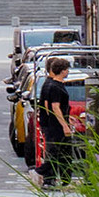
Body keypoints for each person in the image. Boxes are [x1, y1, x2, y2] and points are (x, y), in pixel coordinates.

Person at [37, 56, 77, 189]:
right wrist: (64, 124)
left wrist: (67, 118)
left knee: (60, 150)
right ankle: (45, 173)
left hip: (55, 123)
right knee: (56, 150)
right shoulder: (53, 86)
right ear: (63, 71)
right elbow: (53, 107)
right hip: (55, 126)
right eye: (67, 69)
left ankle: (57, 177)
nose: (68, 72)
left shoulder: (53, 85)